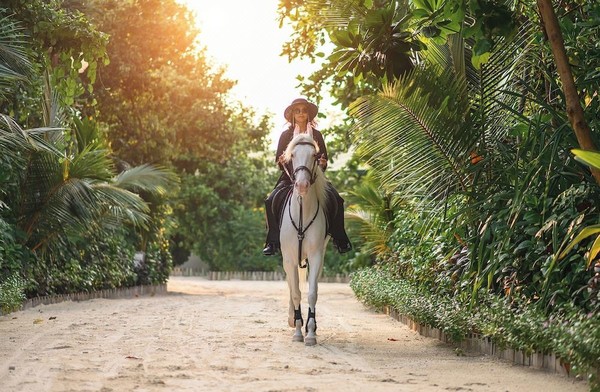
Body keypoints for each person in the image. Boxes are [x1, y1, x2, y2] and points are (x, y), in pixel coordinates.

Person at [262, 97, 352, 256]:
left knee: (337, 199)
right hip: (289, 178)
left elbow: (324, 159)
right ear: (292, 114)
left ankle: (340, 239)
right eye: (297, 111)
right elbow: (278, 159)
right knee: (270, 201)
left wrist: (323, 163)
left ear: (308, 113)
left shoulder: (317, 135)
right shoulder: (285, 135)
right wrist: (282, 160)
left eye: (304, 110)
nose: (301, 113)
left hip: (314, 177)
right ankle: (272, 242)